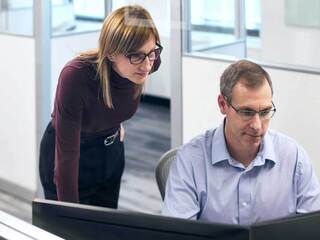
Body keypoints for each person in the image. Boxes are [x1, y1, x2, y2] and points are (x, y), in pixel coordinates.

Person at [162, 60, 320, 225]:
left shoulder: (294, 158)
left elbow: (313, 228)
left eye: (265, 112)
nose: (257, 126)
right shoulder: (190, 161)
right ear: (223, 105)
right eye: (246, 112)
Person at [39, 5, 162, 208]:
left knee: (104, 227)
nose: (147, 65)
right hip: (71, 155)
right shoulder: (76, 76)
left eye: (151, 53)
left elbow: (113, 99)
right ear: (111, 53)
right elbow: (67, 158)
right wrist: (71, 214)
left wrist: (114, 120)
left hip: (110, 152)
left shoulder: (149, 61)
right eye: (137, 56)